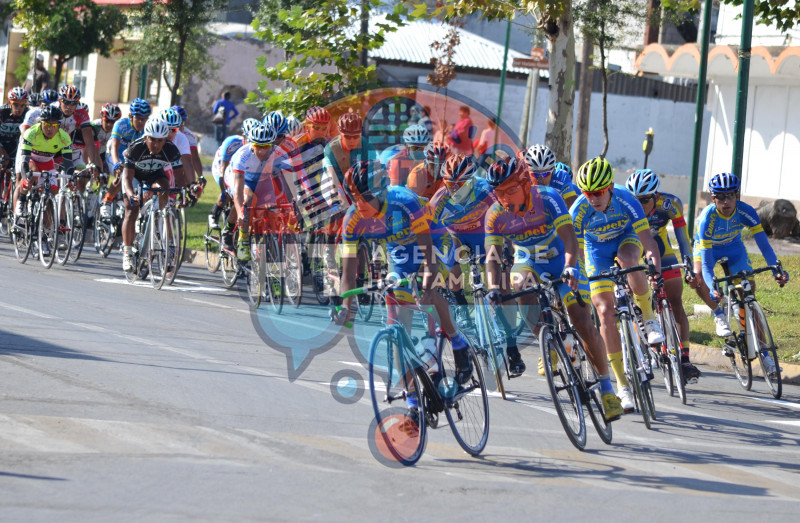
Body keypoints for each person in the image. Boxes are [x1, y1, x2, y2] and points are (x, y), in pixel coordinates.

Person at [484, 157, 624, 420]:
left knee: (582, 319)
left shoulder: (548, 198)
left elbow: (571, 239)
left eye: (510, 189)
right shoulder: (495, 214)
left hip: (561, 258)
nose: (504, 197)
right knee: (519, 287)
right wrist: (493, 287)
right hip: (528, 261)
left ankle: (606, 390)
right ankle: (550, 337)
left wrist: (571, 267)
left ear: (525, 183)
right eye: (499, 192)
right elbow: (492, 256)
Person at [333, 160, 475, 393]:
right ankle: (412, 399)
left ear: (381, 193)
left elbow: (429, 257)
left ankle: (457, 341)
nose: (359, 205)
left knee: (424, 291)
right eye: (354, 198)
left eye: (365, 198)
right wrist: (345, 305)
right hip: (399, 250)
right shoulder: (352, 219)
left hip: (432, 237)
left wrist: (428, 283)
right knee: (399, 321)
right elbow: (347, 273)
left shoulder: (404, 201)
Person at [570, 156, 664, 413]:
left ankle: (649, 318)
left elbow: (649, 242)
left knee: (628, 258)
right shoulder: (578, 210)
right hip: (596, 250)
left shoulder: (627, 199)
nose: (593, 198)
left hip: (626, 238)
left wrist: (654, 266)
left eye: (598, 192)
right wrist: (577, 281)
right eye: (587, 193)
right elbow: (575, 253)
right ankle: (622, 387)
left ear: (610, 186)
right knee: (604, 314)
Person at [694, 172, 789, 375]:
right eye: (720, 197)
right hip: (707, 248)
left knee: (750, 299)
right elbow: (708, 264)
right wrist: (713, 288)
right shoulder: (707, 219)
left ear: (737, 195)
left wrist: (776, 269)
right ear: (713, 199)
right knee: (698, 278)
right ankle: (719, 314)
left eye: (730, 195)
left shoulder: (746, 211)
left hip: (733, 247)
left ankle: (766, 356)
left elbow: (764, 244)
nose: (726, 201)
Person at [625, 169, 702, 382]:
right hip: (632, 246)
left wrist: (689, 264)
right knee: (630, 297)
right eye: (635, 200)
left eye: (644, 200)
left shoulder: (670, 204)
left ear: (656, 196)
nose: (638, 205)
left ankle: (684, 359)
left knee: (675, 298)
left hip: (659, 245)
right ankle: (641, 345)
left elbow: (683, 238)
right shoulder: (624, 206)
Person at [121, 118, 184, 272]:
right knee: (131, 208)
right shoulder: (135, 148)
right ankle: (128, 253)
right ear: (146, 138)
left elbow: (179, 176)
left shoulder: (170, 149)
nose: (156, 145)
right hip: (135, 176)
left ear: (166, 139)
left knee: (165, 188)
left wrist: (182, 192)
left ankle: (162, 227)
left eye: (161, 141)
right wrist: (131, 195)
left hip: (156, 175)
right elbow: (127, 179)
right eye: (153, 140)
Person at [98, 98, 151, 220]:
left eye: (145, 119)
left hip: (132, 158)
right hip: (115, 154)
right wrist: (116, 163)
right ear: (130, 116)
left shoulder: (147, 128)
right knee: (122, 174)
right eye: (138, 118)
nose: (141, 122)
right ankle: (107, 200)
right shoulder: (121, 124)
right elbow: (114, 146)